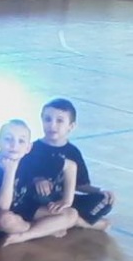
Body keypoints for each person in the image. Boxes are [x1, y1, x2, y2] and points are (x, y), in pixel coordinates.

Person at [0, 119, 79, 246]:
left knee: (71, 215)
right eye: (8, 139)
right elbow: (2, 207)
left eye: (21, 141)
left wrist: (67, 199)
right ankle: (42, 228)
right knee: (6, 220)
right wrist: (10, 171)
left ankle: (24, 235)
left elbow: (70, 166)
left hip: (25, 208)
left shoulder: (31, 159)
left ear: (28, 148)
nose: (14, 145)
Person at [29, 98, 114, 230]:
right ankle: (79, 222)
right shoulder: (32, 148)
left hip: (64, 200)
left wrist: (100, 191)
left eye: (59, 121)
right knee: (41, 194)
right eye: (47, 119)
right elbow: (21, 178)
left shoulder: (73, 152)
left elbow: (80, 184)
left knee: (104, 200)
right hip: (41, 201)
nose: (52, 125)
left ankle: (65, 218)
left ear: (71, 126)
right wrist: (36, 180)